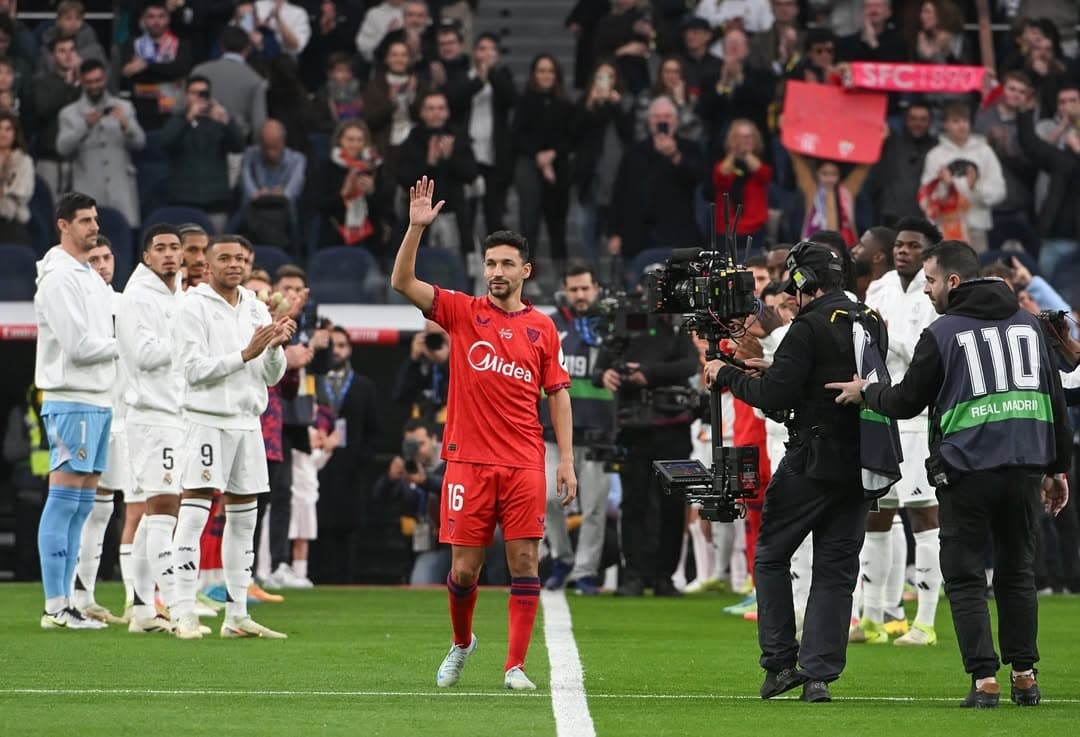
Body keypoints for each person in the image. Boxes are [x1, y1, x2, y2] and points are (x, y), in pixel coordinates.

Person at [827, 240, 1071, 708]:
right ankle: (1025, 677)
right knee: (1017, 574)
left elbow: (905, 402)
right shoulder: (1030, 326)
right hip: (1025, 467)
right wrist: (1058, 469)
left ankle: (984, 682)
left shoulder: (943, 332)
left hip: (966, 469)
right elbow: (1056, 403)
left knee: (963, 578)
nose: (929, 290)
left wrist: (867, 391)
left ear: (954, 282)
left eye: (932, 280)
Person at [391, 176, 577, 690]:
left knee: (524, 560)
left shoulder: (544, 327)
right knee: (466, 572)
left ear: (525, 271)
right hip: (468, 462)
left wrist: (563, 459)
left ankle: (514, 665)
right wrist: (415, 229)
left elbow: (558, 392)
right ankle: (461, 642)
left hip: (522, 462)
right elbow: (402, 283)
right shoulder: (462, 312)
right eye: (490, 263)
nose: (496, 272)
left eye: (505, 264)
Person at [704, 239, 882, 703]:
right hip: (861, 461)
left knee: (771, 554)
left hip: (813, 458)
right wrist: (779, 369)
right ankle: (819, 675)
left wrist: (727, 375)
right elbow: (828, 379)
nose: (790, 294)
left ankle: (781, 663)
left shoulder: (807, 326)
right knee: (836, 569)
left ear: (804, 282)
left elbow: (775, 399)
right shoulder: (870, 319)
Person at [171, 235, 296, 640]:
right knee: (194, 511)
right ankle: (184, 610)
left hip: (247, 421)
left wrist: (274, 346)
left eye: (241, 258)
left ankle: (236, 615)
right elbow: (191, 369)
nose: (234, 264)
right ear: (208, 264)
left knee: (245, 516)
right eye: (224, 257)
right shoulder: (191, 306)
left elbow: (271, 375)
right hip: (206, 419)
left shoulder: (256, 307)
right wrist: (245, 352)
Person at [853, 217, 944, 647]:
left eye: (912, 246)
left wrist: (888, 341)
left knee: (924, 514)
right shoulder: (879, 287)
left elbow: (927, 351)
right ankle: (872, 617)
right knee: (877, 513)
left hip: (919, 413)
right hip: (880, 408)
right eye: (900, 245)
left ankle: (924, 622)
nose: (902, 251)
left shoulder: (935, 291)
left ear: (928, 253)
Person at [33, 192, 117, 630]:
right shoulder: (59, 278)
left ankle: (67, 601)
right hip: (72, 398)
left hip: (98, 399)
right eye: (83, 220)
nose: (92, 226)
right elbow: (80, 348)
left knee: (82, 506)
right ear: (63, 225)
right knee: (63, 501)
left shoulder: (89, 277)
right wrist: (130, 349)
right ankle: (54, 605)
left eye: (95, 218)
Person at [116, 224, 192, 633]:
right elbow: (144, 355)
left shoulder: (178, 295)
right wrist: (188, 341)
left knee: (154, 514)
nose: (168, 254)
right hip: (150, 417)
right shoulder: (136, 298)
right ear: (146, 257)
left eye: (174, 248)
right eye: (160, 248)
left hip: (176, 415)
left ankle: (143, 609)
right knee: (163, 509)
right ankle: (179, 606)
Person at [541, 261, 612, 595]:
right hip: (553, 431)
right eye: (574, 289)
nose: (581, 295)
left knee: (596, 507)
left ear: (596, 288)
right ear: (564, 291)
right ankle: (562, 558)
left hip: (599, 431)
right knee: (548, 499)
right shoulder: (550, 326)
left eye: (586, 288)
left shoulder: (611, 324)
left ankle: (585, 571)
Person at [68, 237, 126, 625]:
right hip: (91, 411)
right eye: (93, 259)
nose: (102, 264)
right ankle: (76, 594)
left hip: (128, 416)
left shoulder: (126, 304)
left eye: (107, 257)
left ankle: (91, 595)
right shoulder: (79, 307)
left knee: (109, 511)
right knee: (86, 509)